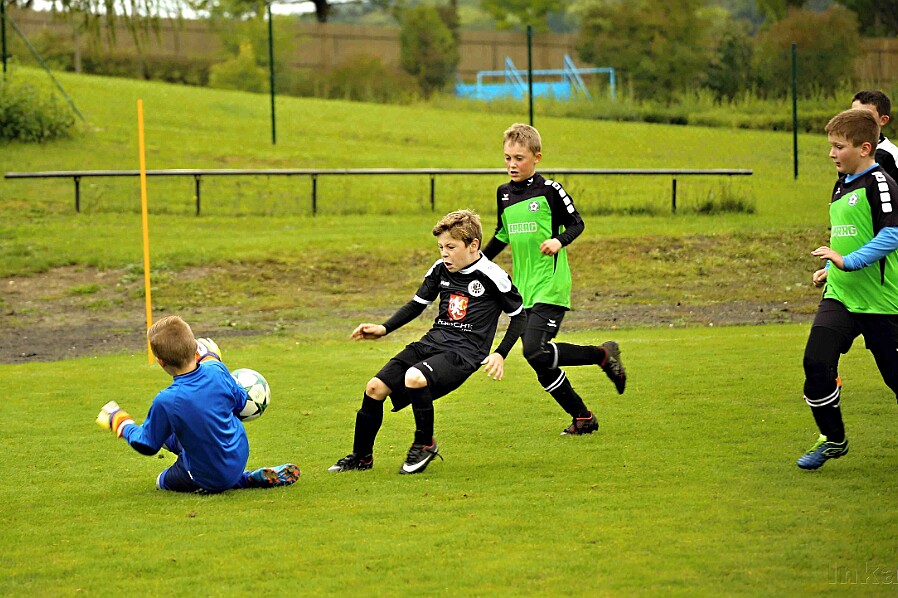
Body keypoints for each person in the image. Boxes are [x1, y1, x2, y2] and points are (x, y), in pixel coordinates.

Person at [328, 209, 527, 475]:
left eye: (451, 247)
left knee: (414, 377)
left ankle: (425, 444)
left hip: (464, 353)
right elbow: (416, 305)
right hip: (432, 343)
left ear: (473, 245)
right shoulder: (439, 269)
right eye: (441, 247)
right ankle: (361, 457)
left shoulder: (492, 275)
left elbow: (519, 316)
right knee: (374, 388)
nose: (444, 253)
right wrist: (384, 328)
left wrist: (500, 353)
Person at [481, 123, 626, 436]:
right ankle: (583, 417)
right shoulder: (503, 193)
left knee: (534, 350)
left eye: (519, 158)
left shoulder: (550, 191)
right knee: (539, 362)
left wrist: (560, 241)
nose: (511, 165)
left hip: (551, 284)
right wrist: (475, 262)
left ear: (537, 157)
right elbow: (502, 234)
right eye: (507, 158)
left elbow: (577, 223)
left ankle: (602, 356)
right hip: (524, 290)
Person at [796, 108, 898, 470]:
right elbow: (847, 234)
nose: (832, 154)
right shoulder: (840, 184)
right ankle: (833, 439)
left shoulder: (881, 183)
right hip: (840, 295)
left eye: (839, 147)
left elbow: (892, 234)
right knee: (816, 363)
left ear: (865, 147)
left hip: (881, 301)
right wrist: (829, 267)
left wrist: (847, 261)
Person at [96, 315, 300, 492]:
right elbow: (239, 403)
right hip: (238, 453)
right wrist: (212, 357)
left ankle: (242, 480)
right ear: (196, 348)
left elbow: (147, 445)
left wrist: (121, 423)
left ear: (160, 361)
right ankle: (238, 474)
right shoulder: (217, 370)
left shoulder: (166, 400)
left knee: (161, 481)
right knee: (174, 430)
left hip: (206, 475)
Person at [851, 90, 898, 182]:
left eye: (866, 116)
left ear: (883, 120)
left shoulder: (893, 155)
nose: (858, 120)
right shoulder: (846, 149)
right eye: (853, 114)